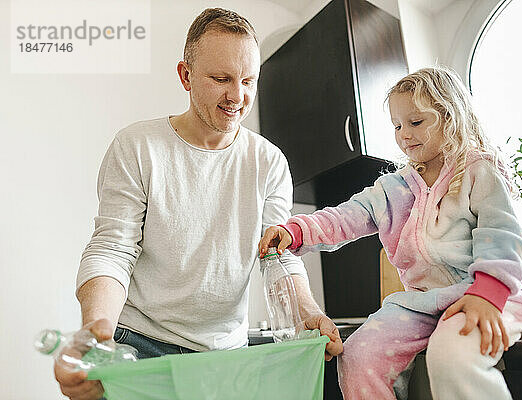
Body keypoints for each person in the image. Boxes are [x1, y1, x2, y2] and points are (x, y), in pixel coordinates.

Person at [54, 8, 342, 400]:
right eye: (221, 79)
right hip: (140, 346)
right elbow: (112, 249)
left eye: (247, 80)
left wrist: (307, 312)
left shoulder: (268, 161)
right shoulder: (137, 146)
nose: (237, 97)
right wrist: (95, 333)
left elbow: (277, 254)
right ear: (186, 76)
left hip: (225, 356)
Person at [259, 66, 522, 400]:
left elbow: (504, 234)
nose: (404, 134)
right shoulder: (393, 189)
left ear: (449, 118)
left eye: (416, 123)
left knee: (453, 351)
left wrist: (488, 292)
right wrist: (296, 230)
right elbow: (345, 217)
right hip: (423, 305)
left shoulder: (478, 170)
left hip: (491, 293)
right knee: (358, 354)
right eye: (397, 125)